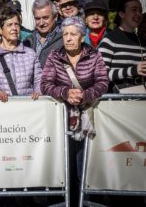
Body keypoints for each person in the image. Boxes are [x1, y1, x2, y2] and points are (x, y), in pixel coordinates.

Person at [41, 16, 109, 207]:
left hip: (87, 118)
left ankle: (83, 200)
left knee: (84, 164)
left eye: (73, 34)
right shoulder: (55, 56)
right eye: (65, 34)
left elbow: (103, 82)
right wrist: (65, 93)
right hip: (61, 119)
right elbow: (45, 84)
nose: (68, 38)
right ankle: (65, 201)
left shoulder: (94, 55)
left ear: (82, 37)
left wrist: (84, 95)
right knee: (63, 163)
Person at [0, 5, 41, 102]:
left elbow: (39, 80)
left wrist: (38, 91)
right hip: (2, 108)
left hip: (28, 108)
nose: (14, 28)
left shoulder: (30, 53)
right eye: (9, 25)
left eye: (17, 24)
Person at [98, 0, 146, 92]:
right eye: (134, 10)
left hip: (140, 99)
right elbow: (100, 76)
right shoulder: (110, 40)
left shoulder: (141, 41)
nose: (138, 14)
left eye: (140, 10)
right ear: (121, 14)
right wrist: (133, 70)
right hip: (117, 100)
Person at [23, 0, 63, 68]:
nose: (41, 23)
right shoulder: (28, 41)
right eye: (38, 19)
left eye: (45, 18)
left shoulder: (65, 39)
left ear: (55, 17)